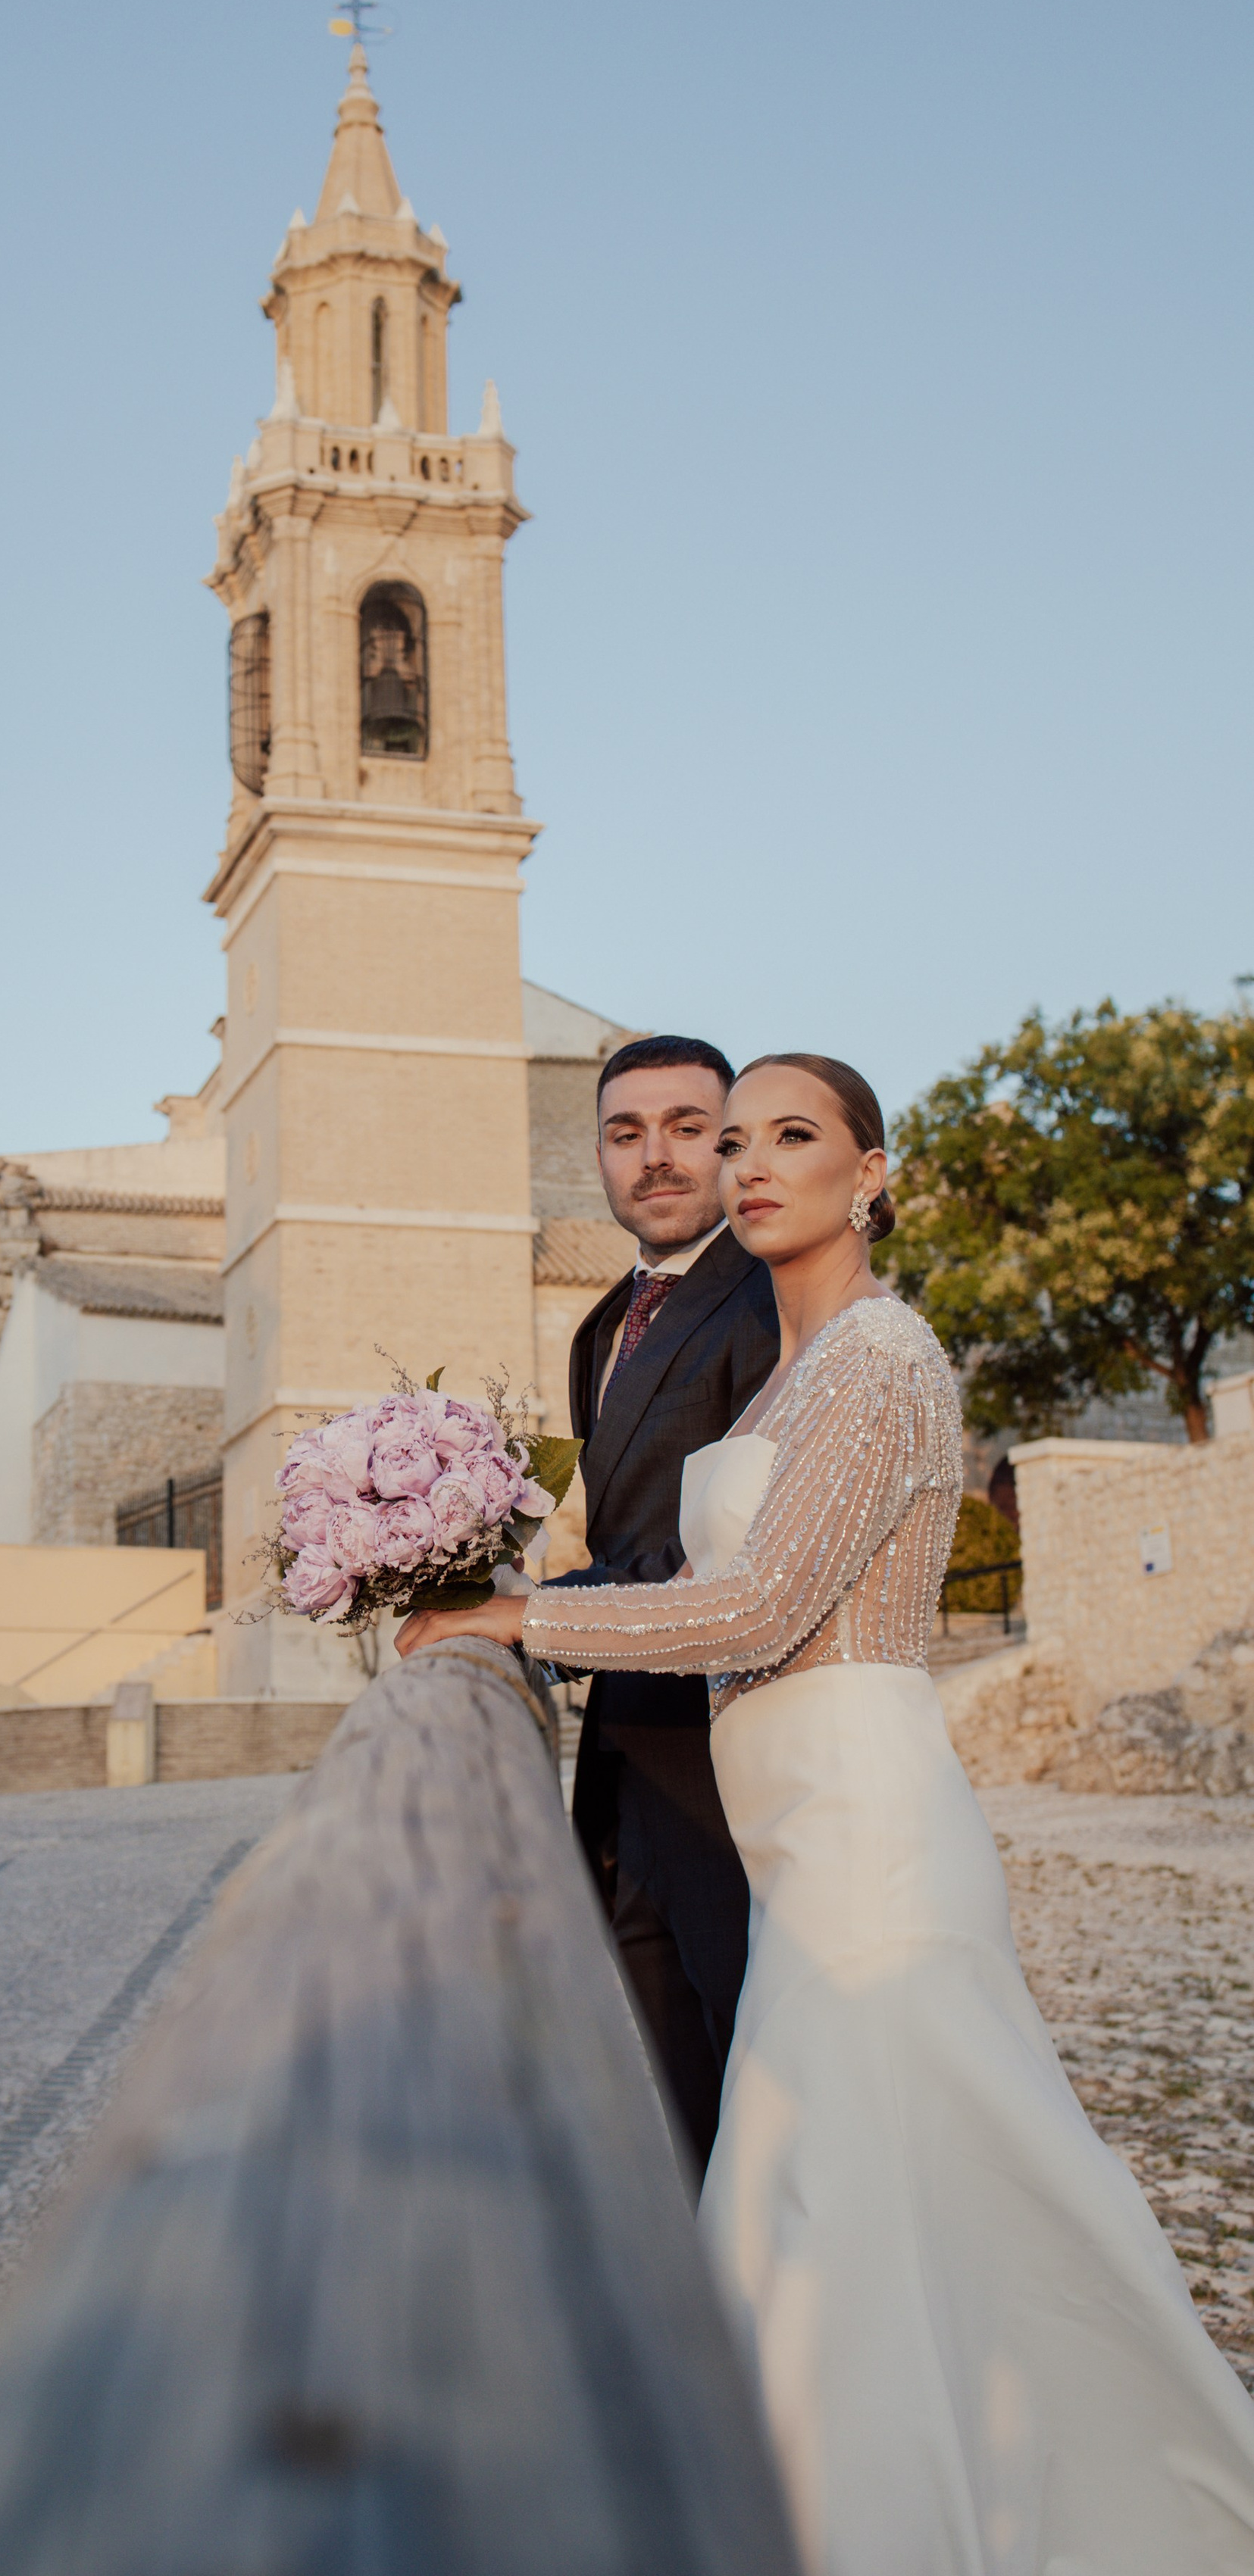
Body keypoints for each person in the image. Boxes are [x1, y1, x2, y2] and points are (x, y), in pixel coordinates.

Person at [402, 1054, 1254, 2575]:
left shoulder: (879, 1360)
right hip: (794, 1840)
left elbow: (760, 1605)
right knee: (853, 2197)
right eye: (734, 1142)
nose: (742, 1164)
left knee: (883, 2182)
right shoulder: (795, 1369)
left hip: (868, 1840)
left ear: (870, 1174)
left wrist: (514, 1619)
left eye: (786, 1137)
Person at [552, 1034, 778, 2175]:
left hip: (738, 1769)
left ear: (730, 1142)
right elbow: (624, 1533)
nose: (657, 1157)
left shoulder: (773, 1300)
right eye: (626, 1133)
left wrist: (529, 1625)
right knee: (681, 2093)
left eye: (689, 1128)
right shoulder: (600, 1326)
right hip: (626, 1761)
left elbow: (749, 1561)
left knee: (764, 2086)